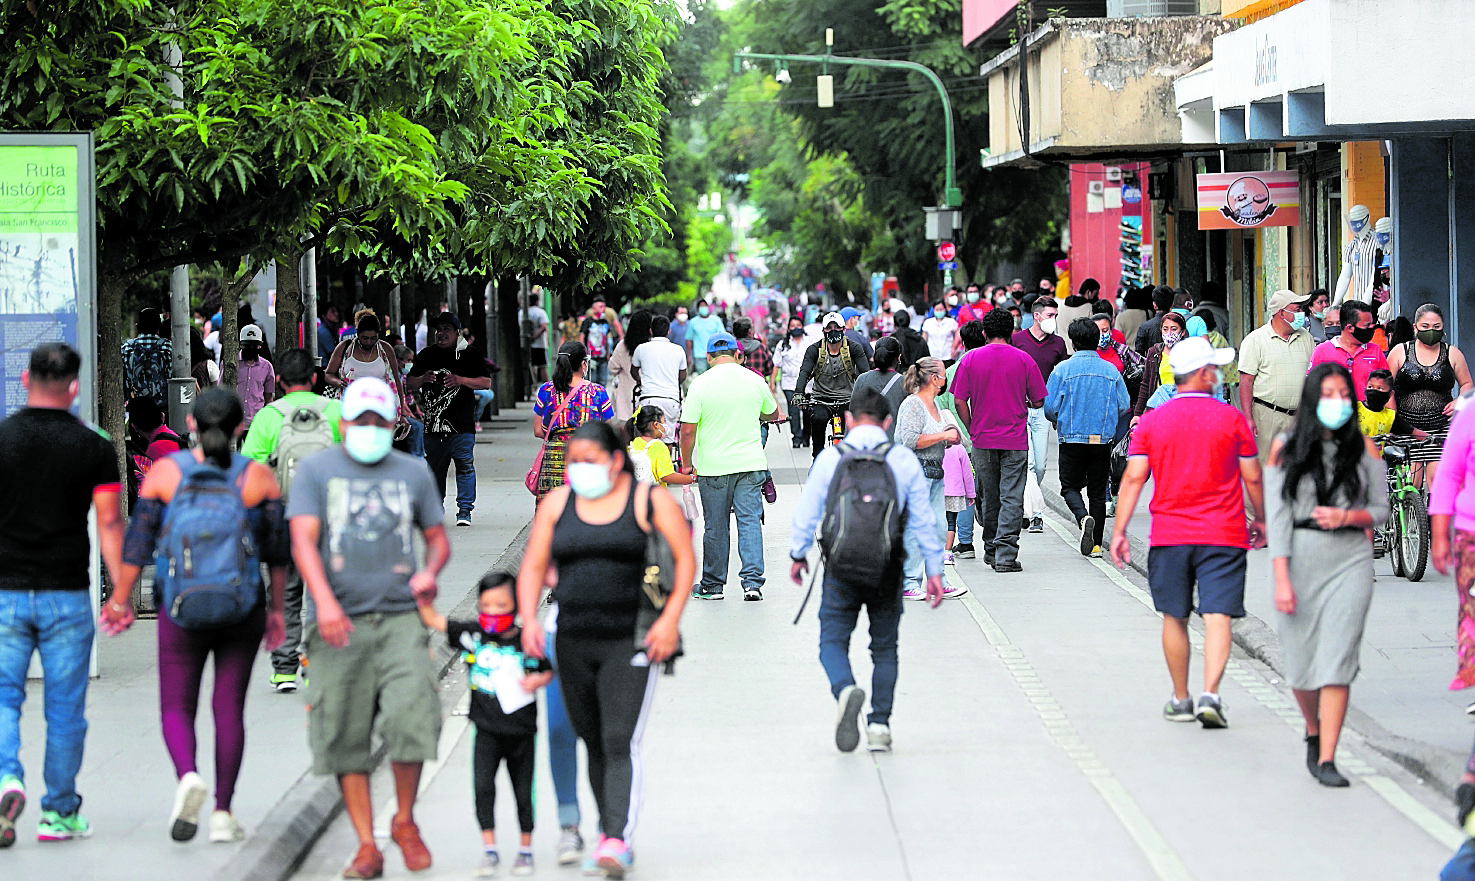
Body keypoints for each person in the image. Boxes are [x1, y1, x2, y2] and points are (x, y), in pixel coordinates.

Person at [102, 388, 289, 842]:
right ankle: (223, 813)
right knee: (229, 708)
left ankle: (188, 775)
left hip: (179, 606)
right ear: (240, 427)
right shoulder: (259, 478)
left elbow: (138, 545)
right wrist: (278, 610)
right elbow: (277, 554)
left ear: (191, 426)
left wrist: (120, 600)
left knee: (176, 706)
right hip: (242, 606)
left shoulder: (165, 473)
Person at [287, 377, 451, 879]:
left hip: (402, 617)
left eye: (380, 421)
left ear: (394, 423)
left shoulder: (414, 471)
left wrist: (429, 571)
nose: (370, 429)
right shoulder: (316, 471)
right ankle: (365, 844)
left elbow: (437, 537)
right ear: (343, 423)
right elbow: (303, 542)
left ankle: (403, 819)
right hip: (338, 624)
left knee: (412, 718)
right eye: (361, 420)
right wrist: (325, 603)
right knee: (343, 732)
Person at [515, 421, 694, 878]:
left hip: (631, 638)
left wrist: (670, 621)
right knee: (592, 739)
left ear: (615, 462)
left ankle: (617, 838)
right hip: (571, 638)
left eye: (588, 461)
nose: (578, 470)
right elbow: (533, 566)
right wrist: (529, 621)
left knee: (619, 740)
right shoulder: (558, 504)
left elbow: (684, 559)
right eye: (573, 461)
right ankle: (606, 829)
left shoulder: (647, 501)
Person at [0, 343, 124, 846]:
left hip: (4, 592)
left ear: (26, 381)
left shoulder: (2, 439)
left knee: (4, 699)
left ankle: (7, 777)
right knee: (65, 707)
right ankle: (59, 812)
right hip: (67, 596)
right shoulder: (92, 445)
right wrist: (121, 594)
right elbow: (110, 523)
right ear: (74, 387)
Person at [1110, 336, 1266, 728]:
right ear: (1201, 373)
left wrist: (1119, 530)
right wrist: (1260, 518)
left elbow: (1132, 479)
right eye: (1214, 368)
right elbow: (1253, 477)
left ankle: (1181, 699)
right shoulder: (1230, 418)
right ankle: (1211, 695)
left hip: (1170, 534)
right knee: (1217, 616)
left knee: (1174, 616)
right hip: (1224, 533)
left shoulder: (1151, 422)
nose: (1218, 374)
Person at [789, 388, 945, 754]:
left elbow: (808, 511)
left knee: (832, 640)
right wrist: (934, 571)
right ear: (888, 422)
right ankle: (878, 726)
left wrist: (798, 554)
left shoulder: (831, 458)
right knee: (885, 648)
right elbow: (924, 521)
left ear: (848, 420)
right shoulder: (903, 460)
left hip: (840, 566)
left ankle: (844, 688)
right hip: (887, 567)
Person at [1264, 364, 1387, 788]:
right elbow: (1277, 518)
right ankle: (1313, 731)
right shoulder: (1284, 448)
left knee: (1337, 661)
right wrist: (1281, 577)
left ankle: (1330, 757)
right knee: (1300, 667)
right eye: (1328, 394)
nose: (1337, 402)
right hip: (1299, 559)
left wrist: (1346, 516)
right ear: (1313, 399)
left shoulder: (1365, 449)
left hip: (1350, 560)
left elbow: (1381, 510)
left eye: (1343, 394)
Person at [416, 572, 552, 877]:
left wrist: (537, 680)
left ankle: (525, 849)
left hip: (522, 732)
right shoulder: (472, 635)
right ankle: (489, 849)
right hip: (486, 731)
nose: (492, 613)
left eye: (500, 605)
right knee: (483, 787)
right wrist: (424, 600)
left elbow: (547, 670)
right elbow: (435, 621)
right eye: (486, 605)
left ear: (515, 607)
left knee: (522, 791)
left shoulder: (525, 639)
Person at [241, 349, 343, 693]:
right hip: (328, 517)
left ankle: (284, 669)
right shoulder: (335, 411)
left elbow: (248, 470)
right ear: (314, 380)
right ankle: (317, 662)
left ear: (280, 382)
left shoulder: (269, 416)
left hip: (283, 518)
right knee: (321, 590)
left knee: (284, 593)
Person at [681, 333, 787, 601]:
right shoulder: (754, 379)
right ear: (738, 355)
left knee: (716, 527)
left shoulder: (699, 384)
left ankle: (713, 586)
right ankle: (752, 584)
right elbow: (772, 413)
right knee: (749, 522)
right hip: (750, 465)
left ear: (708, 357)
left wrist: (685, 464)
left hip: (713, 468)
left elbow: (687, 431)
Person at [953, 309, 1048, 573]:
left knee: (989, 494)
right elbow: (1039, 400)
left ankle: (992, 548)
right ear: (1012, 332)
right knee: (1011, 496)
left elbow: (960, 400)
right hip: (1015, 440)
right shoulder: (1024, 360)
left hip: (982, 439)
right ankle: (1006, 554)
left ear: (984, 333)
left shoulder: (970, 359)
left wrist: (972, 428)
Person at [1046, 319, 1132, 557]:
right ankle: (1095, 545)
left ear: (1073, 342)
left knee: (1069, 486)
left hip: (1071, 439)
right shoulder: (1111, 371)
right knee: (1097, 491)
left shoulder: (1061, 370)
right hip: (1102, 440)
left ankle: (1083, 518)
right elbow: (1124, 404)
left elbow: (1050, 408)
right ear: (1097, 341)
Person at [407, 311, 493, 526]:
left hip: (462, 424)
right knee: (435, 469)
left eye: (446, 329)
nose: (441, 333)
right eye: (438, 329)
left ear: (457, 332)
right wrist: (422, 378)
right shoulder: (426, 355)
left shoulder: (470, 354)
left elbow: (486, 383)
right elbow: (408, 383)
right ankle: (435, 509)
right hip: (433, 425)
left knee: (464, 466)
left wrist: (461, 380)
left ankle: (465, 510)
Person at [893, 357, 968, 599]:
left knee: (937, 526)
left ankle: (937, 580)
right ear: (934, 378)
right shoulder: (914, 404)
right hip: (915, 473)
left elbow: (939, 437)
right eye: (943, 374)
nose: (946, 379)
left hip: (935, 473)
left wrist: (950, 437)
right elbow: (910, 439)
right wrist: (943, 436)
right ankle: (909, 581)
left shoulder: (935, 405)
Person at [1387, 303, 1473, 486]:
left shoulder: (1453, 353)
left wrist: (1460, 401)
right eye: (1425, 326)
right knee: (1411, 482)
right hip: (1407, 427)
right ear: (1415, 327)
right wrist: (1391, 417)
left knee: (1438, 482)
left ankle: (1435, 515)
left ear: (1443, 328)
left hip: (1441, 426)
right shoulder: (1400, 352)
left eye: (1436, 327)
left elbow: (1467, 385)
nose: (1431, 331)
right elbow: (1386, 386)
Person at [1238, 290, 1316, 465]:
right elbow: (1246, 382)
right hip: (1267, 415)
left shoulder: (1306, 338)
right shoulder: (1255, 340)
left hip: (1299, 415)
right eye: (1296, 309)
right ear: (1281, 312)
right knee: (1266, 466)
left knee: (1299, 467)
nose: (1301, 314)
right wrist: (1248, 418)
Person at [532, 342, 615, 503]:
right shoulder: (597, 392)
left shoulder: (546, 390)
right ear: (583, 364)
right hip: (587, 458)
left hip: (553, 460)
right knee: (584, 508)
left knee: (553, 509)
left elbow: (537, 430)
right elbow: (607, 432)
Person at [1011, 297, 1067, 535]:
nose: (1053, 320)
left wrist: (1058, 411)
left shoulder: (1058, 343)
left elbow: (1062, 377)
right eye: (1050, 316)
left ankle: (1027, 502)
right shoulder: (1018, 340)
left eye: (1055, 316)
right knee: (1030, 463)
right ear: (1036, 316)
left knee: (1041, 466)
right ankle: (1035, 514)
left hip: (1044, 410)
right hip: (1021, 409)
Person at [794, 313, 872, 458]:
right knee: (817, 421)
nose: (833, 330)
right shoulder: (814, 350)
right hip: (821, 399)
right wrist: (799, 393)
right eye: (829, 328)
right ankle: (817, 460)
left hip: (847, 399)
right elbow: (804, 372)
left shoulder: (854, 348)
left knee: (851, 431)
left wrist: (869, 394)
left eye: (836, 327)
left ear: (843, 329)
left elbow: (865, 373)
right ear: (823, 331)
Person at [325, 312, 408, 413]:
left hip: (380, 408)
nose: (368, 342)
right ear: (357, 333)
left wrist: (402, 413)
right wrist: (339, 382)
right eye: (364, 338)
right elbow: (328, 374)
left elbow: (396, 381)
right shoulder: (345, 348)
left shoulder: (385, 349)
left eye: (373, 338)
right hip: (350, 408)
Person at [1310, 300, 1390, 404]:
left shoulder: (1375, 351)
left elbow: (1387, 386)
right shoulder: (1321, 351)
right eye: (1366, 326)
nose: (1371, 329)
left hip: (1369, 417)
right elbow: (1312, 388)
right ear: (1350, 328)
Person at [631, 314, 688, 446]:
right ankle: (665, 463)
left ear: (651, 330)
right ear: (669, 331)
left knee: (646, 436)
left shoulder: (641, 349)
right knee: (667, 437)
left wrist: (641, 381)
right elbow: (683, 376)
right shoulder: (678, 350)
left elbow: (633, 371)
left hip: (648, 398)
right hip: (671, 399)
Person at [1134, 311, 1189, 421]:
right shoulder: (1154, 353)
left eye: (1174, 329)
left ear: (1182, 332)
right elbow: (1145, 384)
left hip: (1182, 409)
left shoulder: (1189, 353)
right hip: (1159, 410)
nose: (1169, 333)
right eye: (1165, 329)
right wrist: (1137, 414)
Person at [850, 337, 907, 441]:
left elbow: (853, 412)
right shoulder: (904, 383)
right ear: (898, 358)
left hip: (865, 443)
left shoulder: (862, 379)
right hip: (893, 444)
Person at [627, 406, 695, 490]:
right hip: (654, 496)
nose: (665, 426)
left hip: (635, 493)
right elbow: (667, 476)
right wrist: (692, 478)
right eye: (664, 421)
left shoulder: (632, 443)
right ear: (655, 425)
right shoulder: (659, 446)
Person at [122, 306, 173, 411]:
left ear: (137, 327)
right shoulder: (168, 347)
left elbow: (123, 377)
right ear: (160, 326)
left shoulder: (126, 348)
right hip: (162, 408)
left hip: (136, 407)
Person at [774, 316, 812, 447]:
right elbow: (776, 364)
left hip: (808, 384)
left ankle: (807, 437)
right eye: (792, 325)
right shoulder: (783, 345)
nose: (796, 328)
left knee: (807, 412)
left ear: (803, 326)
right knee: (794, 411)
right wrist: (772, 383)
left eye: (798, 325)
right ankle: (796, 437)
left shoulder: (810, 342)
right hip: (789, 383)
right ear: (789, 328)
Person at [607, 309, 651, 423]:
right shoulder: (652, 346)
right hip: (649, 395)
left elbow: (612, 368)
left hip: (626, 397)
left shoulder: (623, 346)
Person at [236, 324, 277, 431]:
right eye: (247, 345)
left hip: (256, 424)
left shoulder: (266, 367)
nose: (251, 349)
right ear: (241, 345)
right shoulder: (231, 364)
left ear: (260, 346)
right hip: (235, 423)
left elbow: (269, 398)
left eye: (254, 346)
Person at [579, 297, 620, 386]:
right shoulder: (587, 322)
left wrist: (608, 354)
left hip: (602, 356)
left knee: (602, 381)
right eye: (600, 307)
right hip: (590, 356)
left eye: (604, 307)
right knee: (591, 381)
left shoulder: (605, 322)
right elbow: (582, 337)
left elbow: (605, 338)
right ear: (594, 309)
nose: (603, 309)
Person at [1056, 278, 1100, 353]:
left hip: (1062, 350)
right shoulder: (1089, 308)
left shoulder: (1061, 305)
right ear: (1088, 292)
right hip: (1080, 352)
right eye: (1095, 293)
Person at [1134, 285, 1177, 355]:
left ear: (1154, 305)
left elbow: (1138, 354)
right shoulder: (1179, 326)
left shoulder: (1144, 327)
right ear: (1172, 304)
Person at [685, 299, 725, 374]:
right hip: (699, 355)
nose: (703, 308)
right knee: (702, 376)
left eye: (705, 306)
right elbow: (688, 339)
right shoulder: (693, 322)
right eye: (701, 306)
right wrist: (689, 356)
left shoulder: (716, 320)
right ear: (697, 309)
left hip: (714, 354)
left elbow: (722, 337)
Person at [521, 292, 550, 387]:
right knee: (542, 366)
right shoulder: (540, 312)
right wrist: (534, 336)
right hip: (539, 344)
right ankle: (547, 386)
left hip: (525, 343)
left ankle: (532, 386)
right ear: (537, 301)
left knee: (530, 366)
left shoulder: (522, 312)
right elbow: (543, 327)